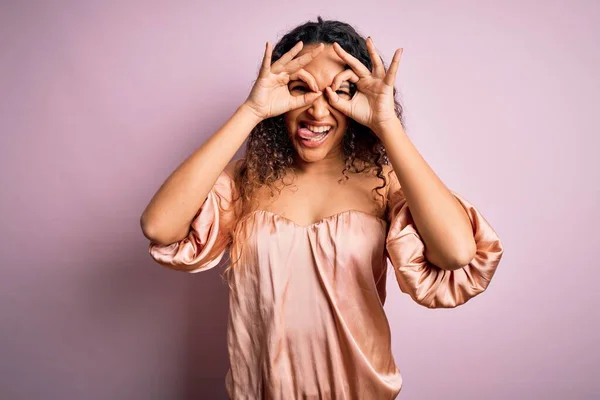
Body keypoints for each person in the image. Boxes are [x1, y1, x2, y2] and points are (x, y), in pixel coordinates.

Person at [140, 16, 504, 400]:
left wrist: (386, 124)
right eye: (302, 88)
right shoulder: (249, 178)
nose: (317, 111)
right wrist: (252, 110)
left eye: (340, 91)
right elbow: (159, 226)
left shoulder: (383, 181)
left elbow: (457, 252)